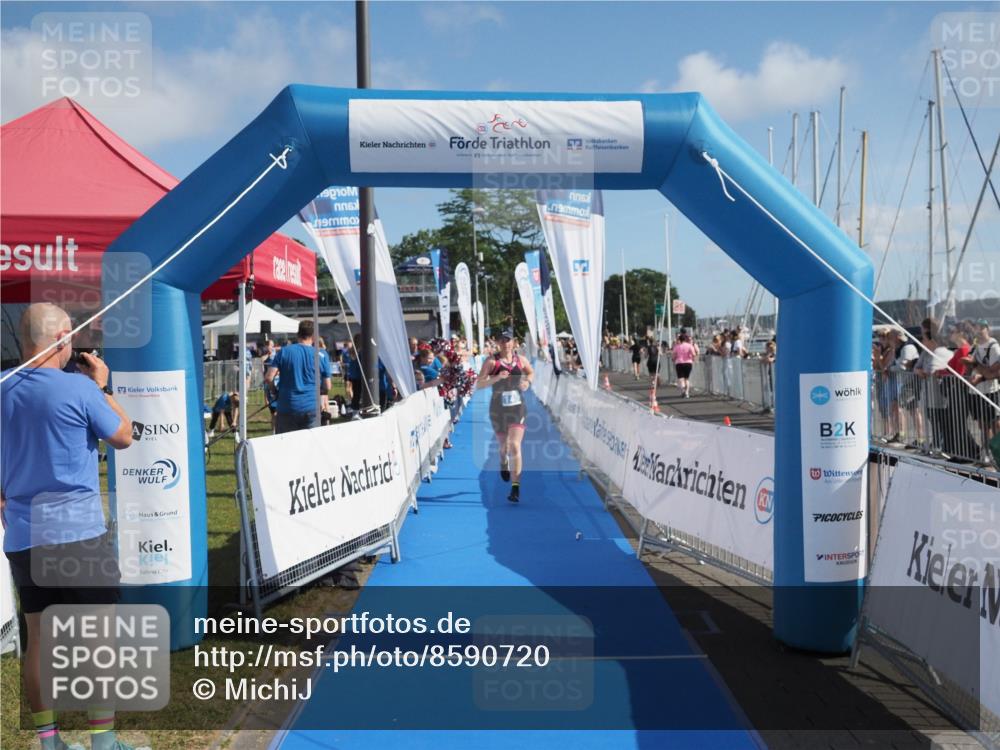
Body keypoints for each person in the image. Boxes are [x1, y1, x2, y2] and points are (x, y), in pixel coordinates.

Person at [2, 303, 139, 750]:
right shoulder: (79, 389)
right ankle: (103, 741)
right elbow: (123, 434)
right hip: (77, 532)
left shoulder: (3, 390)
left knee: (38, 638)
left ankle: (49, 741)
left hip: (24, 534)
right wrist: (104, 386)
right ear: (62, 337)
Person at [477, 329, 533, 503]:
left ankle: (515, 488)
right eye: (502, 341)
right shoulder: (491, 362)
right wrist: (495, 378)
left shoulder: (520, 360)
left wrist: (527, 382)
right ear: (497, 343)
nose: (505, 344)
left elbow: (530, 372)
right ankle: (503, 462)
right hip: (498, 409)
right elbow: (479, 384)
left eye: (508, 340)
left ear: (513, 342)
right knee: (504, 448)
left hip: (517, 407)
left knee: (515, 446)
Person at [264, 320, 332, 434]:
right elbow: (328, 386)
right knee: (311, 447)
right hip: (311, 407)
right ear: (314, 336)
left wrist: (275, 392)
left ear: (298, 334)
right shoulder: (321, 354)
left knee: (286, 446)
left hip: (287, 406)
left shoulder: (284, 351)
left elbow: (269, 377)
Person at [671, 332, 699, 398]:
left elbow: (674, 355)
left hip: (679, 363)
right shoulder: (690, 346)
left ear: (680, 339)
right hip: (688, 363)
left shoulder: (677, 346)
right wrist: (693, 360)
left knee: (681, 378)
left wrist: (673, 359)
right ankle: (687, 393)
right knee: (687, 378)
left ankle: (683, 390)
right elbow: (694, 354)